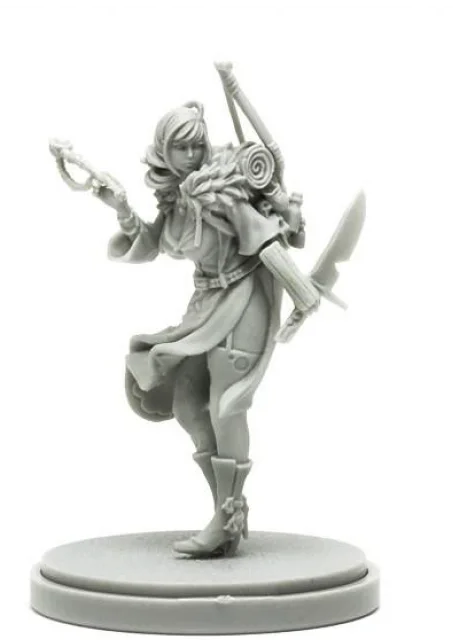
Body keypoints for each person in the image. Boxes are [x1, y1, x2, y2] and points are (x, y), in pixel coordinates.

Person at [95, 101, 320, 557]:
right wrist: (120, 207)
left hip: (243, 297)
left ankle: (227, 517)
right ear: (165, 150)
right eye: (181, 147)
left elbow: (264, 240)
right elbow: (151, 245)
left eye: (197, 145)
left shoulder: (222, 192)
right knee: (186, 405)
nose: (192, 155)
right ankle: (225, 511)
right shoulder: (176, 199)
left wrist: (302, 294)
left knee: (227, 405)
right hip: (205, 305)